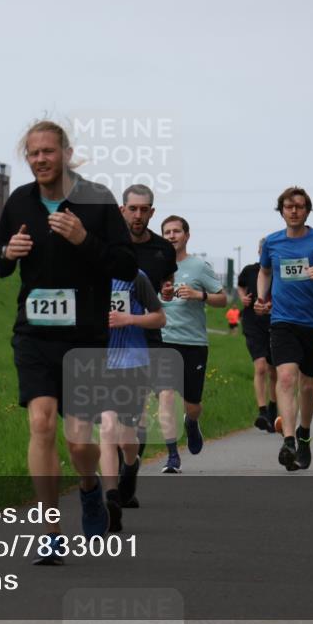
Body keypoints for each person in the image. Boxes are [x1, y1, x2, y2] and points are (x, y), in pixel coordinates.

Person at [0, 120, 138, 564]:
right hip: (33, 333)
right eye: (33, 153)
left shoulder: (96, 200)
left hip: (85, 337)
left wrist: (84, 239)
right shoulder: (20, 201)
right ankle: (49, 529)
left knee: (78, 442)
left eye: (47, 152)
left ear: (66, 152)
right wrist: (6, 254)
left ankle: (90, 488)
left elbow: (127, 266)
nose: (40, 160)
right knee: (41, 422)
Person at [255, 187, 313, 472]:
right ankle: (289, 440)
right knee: (284, 378)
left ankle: (305, 435)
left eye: (299, 206)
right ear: (281, 211)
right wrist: (262, 298)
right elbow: (265, 271)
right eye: (288, 206)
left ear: (307, 210)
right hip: (282, 321)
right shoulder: (272, 242)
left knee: (307, 386)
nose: (293, 211)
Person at [117, 184, 177, 503]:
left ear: (152, 212)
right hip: (109, 339)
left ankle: (128, 471)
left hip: (146, 336)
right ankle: (120, 470)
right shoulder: (106, 246)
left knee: (136, 411)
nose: (138, 215)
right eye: (133, 208)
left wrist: (166, 292)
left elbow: (165, 285)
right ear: (122, 210)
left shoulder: (163, 250)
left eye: (144, 210)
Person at [156, 215, 227, 473]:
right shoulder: (155, 266)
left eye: (177, 231)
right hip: (163, 340)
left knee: (192, 404)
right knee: (165, 397)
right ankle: (173, 456)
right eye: (167, 232)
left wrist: (200, 295)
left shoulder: (198, 266)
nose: (172, 236)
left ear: (187, 235)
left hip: (193, 342)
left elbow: (223, 298)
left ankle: (192, 423)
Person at [99, 269, 165, 532]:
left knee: (127, 438)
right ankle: (112, 498)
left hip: (133, 364)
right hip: (98, 363)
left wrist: (130, 319)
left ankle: (131, 463)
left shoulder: (136, 277)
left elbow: (160, 318)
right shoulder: (85, 273)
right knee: (107, 429)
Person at [238, 238, 278, 433]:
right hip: (252, 322)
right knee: (261, 366)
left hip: (275, 323)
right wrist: (242, 298)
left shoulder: (278, 272)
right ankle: (262, 412)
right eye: (263, 250)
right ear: (259, 251)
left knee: (273, 370)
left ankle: (273, 409)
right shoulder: (249, 270)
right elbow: (240, 285)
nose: (266, 253)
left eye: (269, 251)